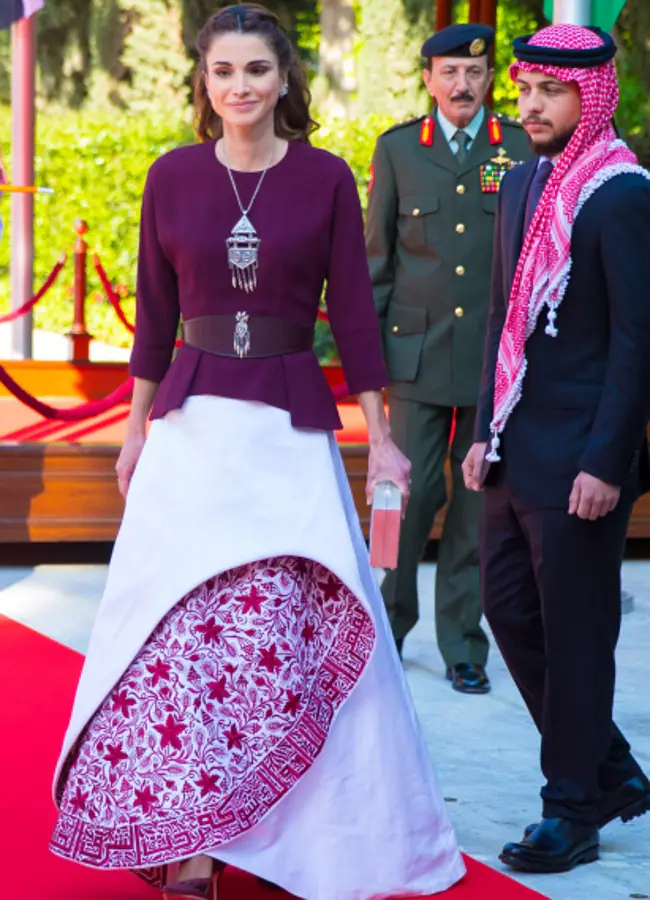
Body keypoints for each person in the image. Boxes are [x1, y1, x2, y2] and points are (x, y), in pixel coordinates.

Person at [49, 5, 465, 899]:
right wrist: (133, 436)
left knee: (277, 631)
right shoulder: (169, 176)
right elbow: (155, 322)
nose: (240, 87)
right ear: (204, 83)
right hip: (192, 433)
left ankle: (295, 836)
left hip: (286, 431)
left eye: (257, 72)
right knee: (185, 636)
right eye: (224, 71)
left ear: (285, 81)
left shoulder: (323, 178)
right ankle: (194, 844)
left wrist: (381, 436)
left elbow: (354, 311)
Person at [463, 24, 650, 874]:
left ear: (593, 96)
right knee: (506, 611)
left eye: (551, 93)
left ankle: (570, 810)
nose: (530, 107)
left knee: (577, 639)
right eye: (526, 90)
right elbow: (505, 313)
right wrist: (478, 431)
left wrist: (609, 462)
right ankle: (609, 769)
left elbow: (636, 344)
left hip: (580, 460)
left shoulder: (621, 194)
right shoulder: (524, 181)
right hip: (511, 446)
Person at [366, 23, 530, 692]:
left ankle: (464, 642)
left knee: (473, 503)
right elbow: (377, 259)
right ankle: (385, 628)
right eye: (448, 73)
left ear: (490, 78)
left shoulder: (518, 145)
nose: (462, 85)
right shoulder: (400, 149)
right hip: (413, 355)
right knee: (399, 496)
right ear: (428, 79)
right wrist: (368, 367)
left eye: (474, 72)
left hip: (494, 359)